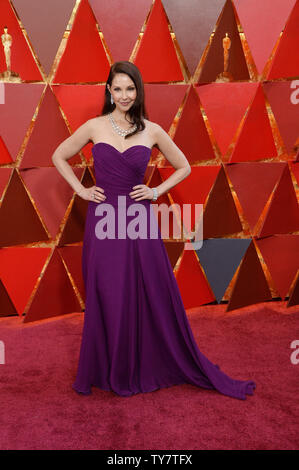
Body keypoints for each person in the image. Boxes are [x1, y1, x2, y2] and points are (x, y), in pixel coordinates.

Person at [52, 61, 256, 400]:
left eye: (130, 88)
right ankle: (108, 365)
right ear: (109, 91)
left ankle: (147, 360)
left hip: (139, 221)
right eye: (117, 88)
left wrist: (156, 192)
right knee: (108, 291)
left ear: (138, 91)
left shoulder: (152, 130)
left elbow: (185, 166)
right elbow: (59, 155)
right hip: (104, 222)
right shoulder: (94, 126)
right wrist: (82, 190)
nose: (124, 95)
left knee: (147, 290)